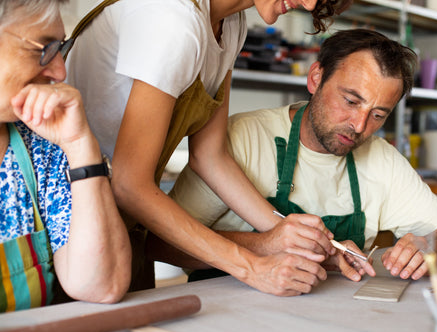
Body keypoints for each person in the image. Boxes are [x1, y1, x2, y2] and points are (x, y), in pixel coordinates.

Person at [65, 0, 351, 296]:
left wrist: (284, 230)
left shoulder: (230, 24)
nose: (309, 3)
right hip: (70, 226)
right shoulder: (173, 19)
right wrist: (251, 267)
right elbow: (129, 185)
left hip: (119, 222)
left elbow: (210, 156)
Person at [173, 29, 437, 282]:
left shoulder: (382, 160)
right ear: (316, 78)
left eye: (377, 115)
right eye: (350, 101)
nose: (359, 125)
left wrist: (430, 248)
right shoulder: (243, 138)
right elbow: (161, 244)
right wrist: (263, 245)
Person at [0, 0, 131, 312]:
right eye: (42, 48)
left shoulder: (40, 150)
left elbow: (103, 286)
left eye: (60, 48)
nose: (60, 71)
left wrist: (79, 143)